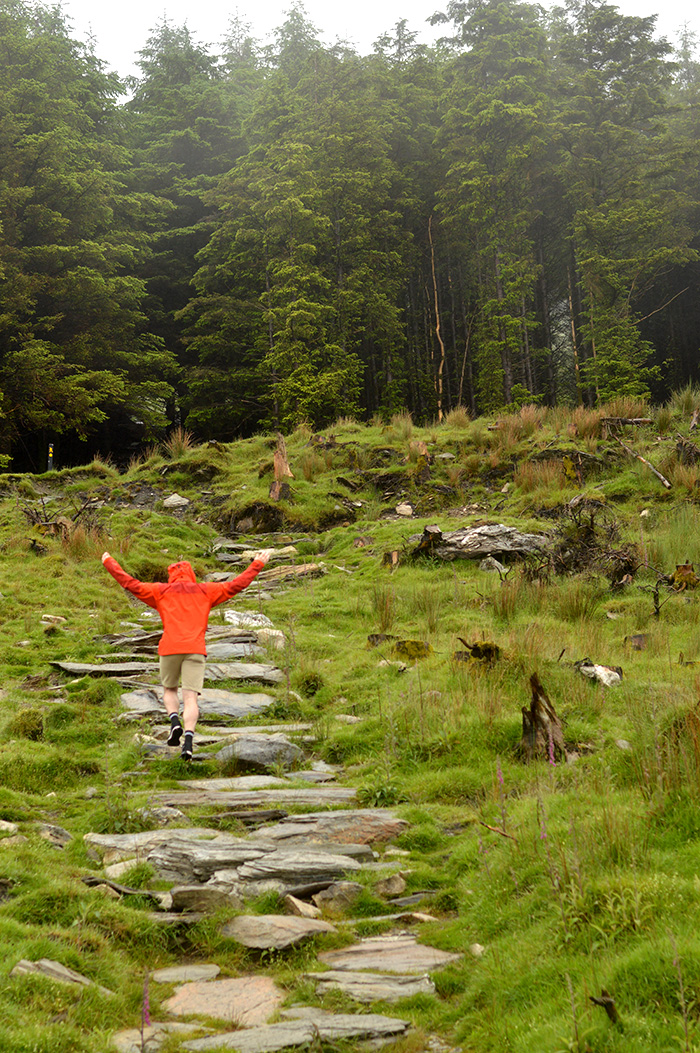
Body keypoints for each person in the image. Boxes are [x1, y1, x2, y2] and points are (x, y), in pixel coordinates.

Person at [101, 549, 272, 759]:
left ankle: (174, 722)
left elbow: (130, 584)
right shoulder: (206, 591)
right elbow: (236, 585)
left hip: (170, 649)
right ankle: (189, 741)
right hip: (195, 649)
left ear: (171, 576)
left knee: (170, 691)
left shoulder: (160, 591)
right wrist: (257, 564)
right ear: (192, 575)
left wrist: (109, 562)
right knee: (191, 698)